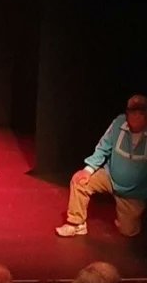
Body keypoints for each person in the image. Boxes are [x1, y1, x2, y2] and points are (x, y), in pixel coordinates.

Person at [56, 93, 147, 237]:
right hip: (110, 177)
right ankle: (76, 223)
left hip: (134, 192)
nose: (136, 116)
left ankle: (129, 219)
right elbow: (103, 148)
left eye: (141, 113)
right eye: (132, 112)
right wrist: (88, 170)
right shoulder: (118, 123)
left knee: (128, 231)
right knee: (79, 181)